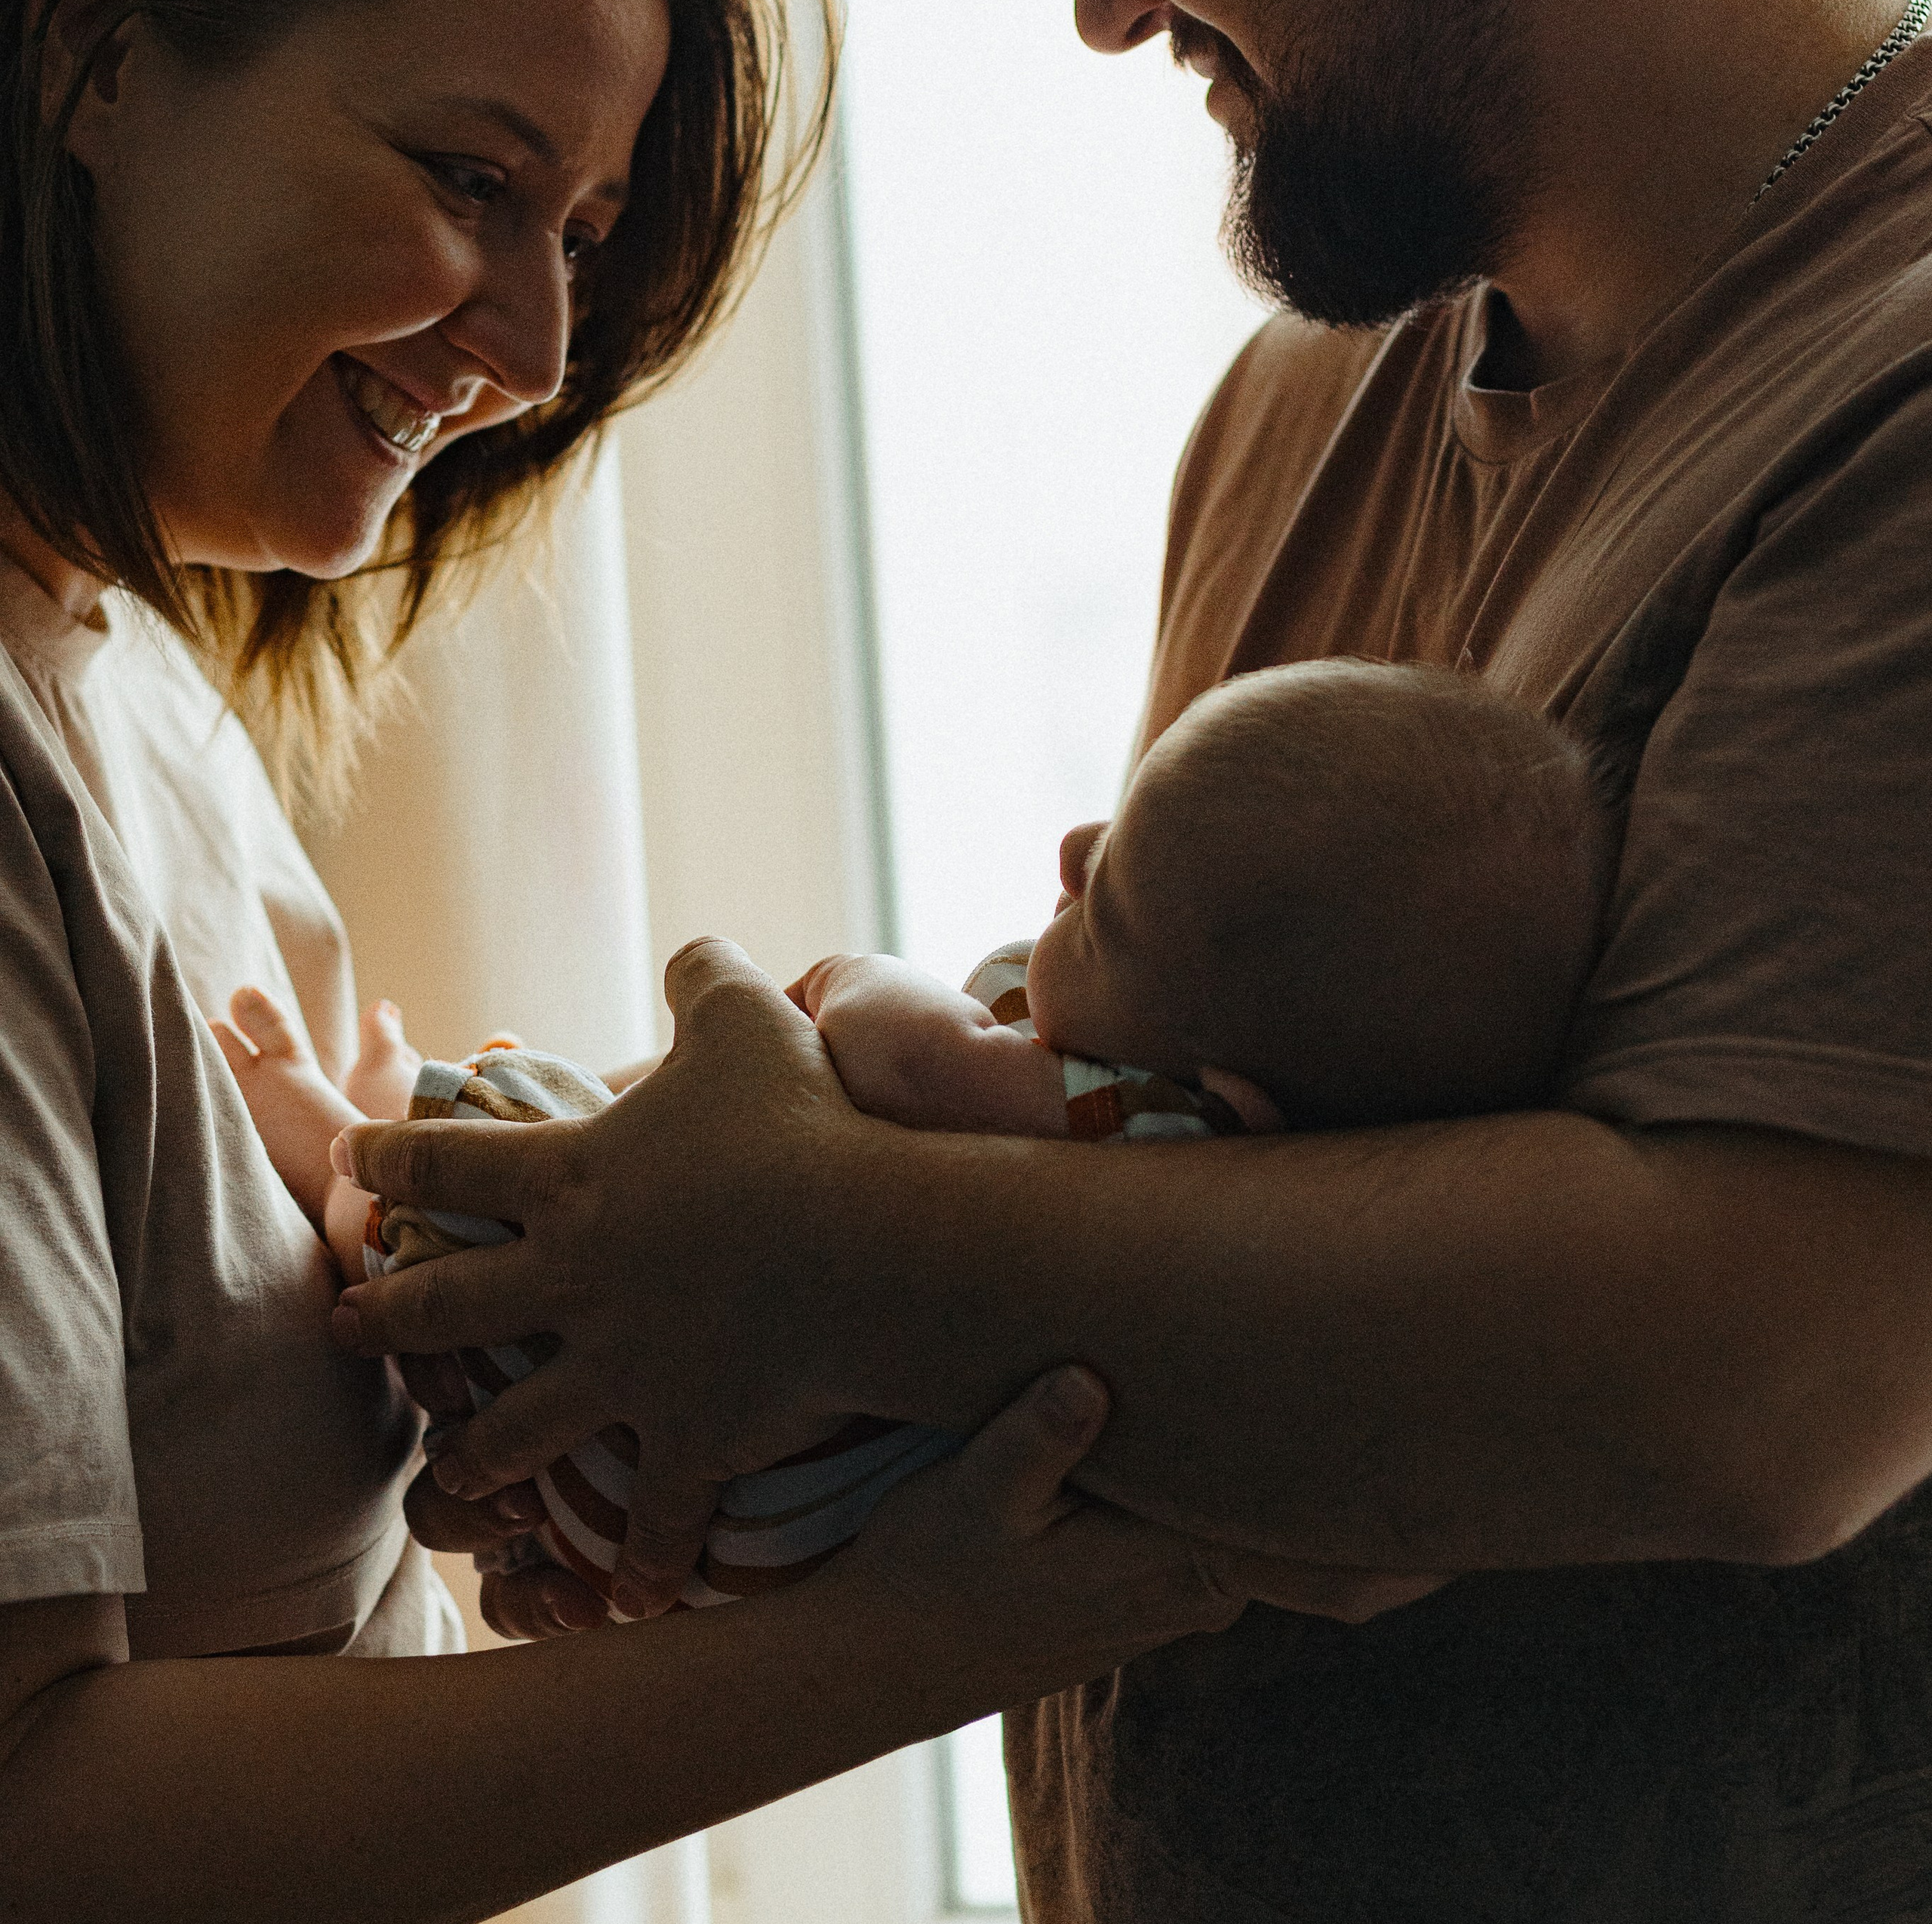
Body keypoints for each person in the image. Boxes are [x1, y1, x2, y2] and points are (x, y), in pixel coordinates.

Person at [336, 0, 1932, 1924]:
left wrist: (805, 1238)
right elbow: (1190, 1184)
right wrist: (690, 1392)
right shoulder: (1306, 407)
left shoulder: (1902, 386)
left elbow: (1762, 1363)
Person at [0, 0, 1241, 1924]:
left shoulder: (132, 684)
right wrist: (918, 1642)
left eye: (577, 225)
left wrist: (519, 1415)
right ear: (100, 53)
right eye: (472, 181)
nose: (543, 337)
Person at [222, 659, 1610, 1610]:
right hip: (759, 1528)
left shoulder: (1128, 1119)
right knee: (598, 1152)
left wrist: (853, 975)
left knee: (466, 1195)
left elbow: (890, 1049)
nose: (1071, 855)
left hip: (699, 1450)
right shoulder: (1239, 1180)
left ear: (1232, 1092)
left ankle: (336, 1143)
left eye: (1110, 899)